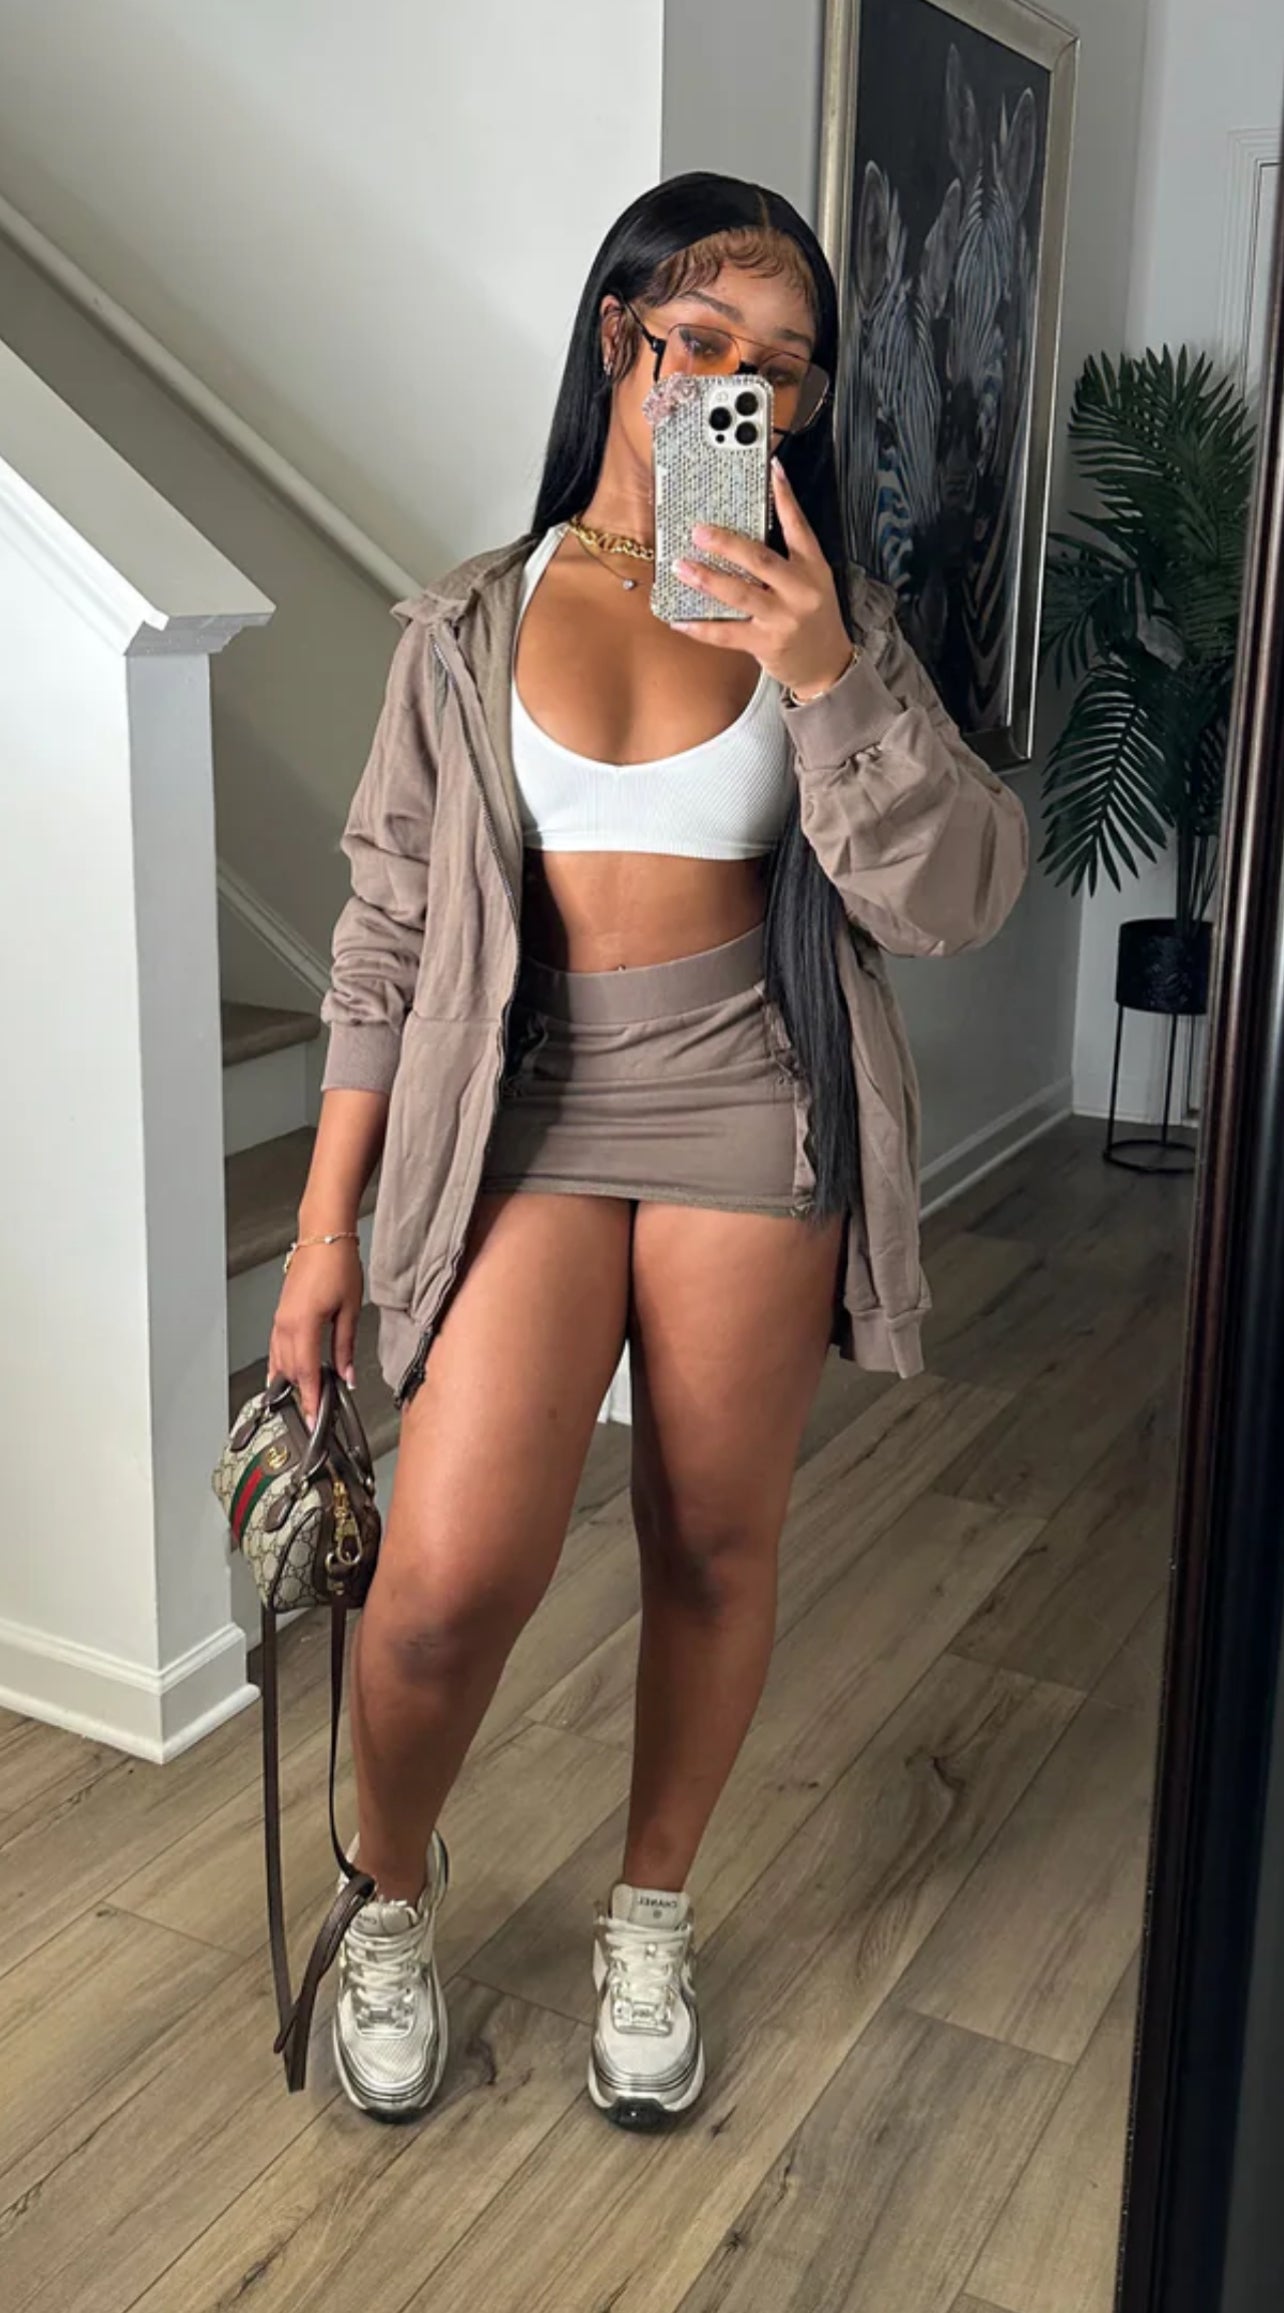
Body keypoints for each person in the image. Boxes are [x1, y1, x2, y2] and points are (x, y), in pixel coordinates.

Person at [268, 170, 1029, 2129]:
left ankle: (651, 1913)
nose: (739, 387)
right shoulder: (470, 620)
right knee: (448, 1577)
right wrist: (325, 1234)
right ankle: (386, 1891)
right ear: (621, 343)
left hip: (746, 1097)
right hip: (517, 1105)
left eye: (785, 364)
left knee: (710, 1539)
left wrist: (827, 672)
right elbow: (383, 934)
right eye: (702, 342)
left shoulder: (828, 621)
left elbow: (959, 895)